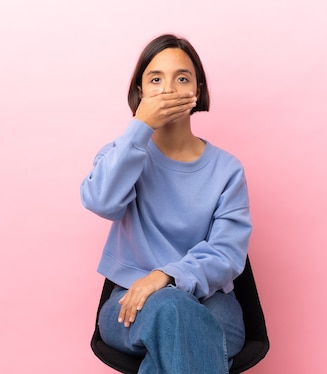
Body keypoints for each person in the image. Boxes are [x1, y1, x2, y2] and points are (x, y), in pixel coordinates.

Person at [80, 33, 251, 373]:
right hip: (131, 305)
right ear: (141, 92)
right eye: (156, 79)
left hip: (213, 304)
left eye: (182, 78)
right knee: (173, 315)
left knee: (176, 327)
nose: (168, 89)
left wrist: (166, 276)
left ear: (196, 92)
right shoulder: (122, 155)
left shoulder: (226, 169)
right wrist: (139, 128)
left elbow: (228, 254)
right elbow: (101, 201)